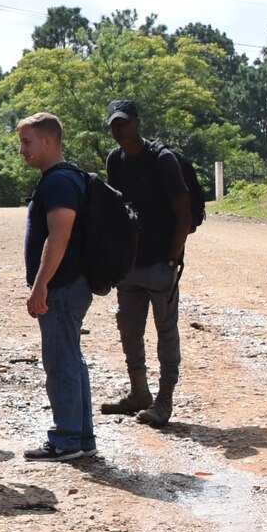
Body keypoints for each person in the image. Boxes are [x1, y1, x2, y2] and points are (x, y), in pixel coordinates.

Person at [100, 99, 192, 428]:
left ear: (138, 122)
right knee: (128, 328)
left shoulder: (162, 160)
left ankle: (164, 400)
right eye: (114, 124)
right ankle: (139, 392)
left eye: (124, 122)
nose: (119, 128)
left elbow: (184, 213)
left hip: (160, 264)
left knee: (166, 332)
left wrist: (173, 259)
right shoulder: (115, 160)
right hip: (130, 265)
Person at [17, 111, 97, 462]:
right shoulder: (66, 178)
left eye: (27, 142)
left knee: (61, 360)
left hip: (62, 287)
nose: (23, 150)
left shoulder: (59, 182)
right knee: (71, 359)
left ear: (48, 141)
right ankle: (81, 437)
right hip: (68, 285)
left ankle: (66, 439)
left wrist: (40, 286)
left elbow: (58, 236)